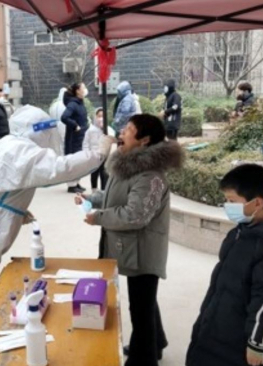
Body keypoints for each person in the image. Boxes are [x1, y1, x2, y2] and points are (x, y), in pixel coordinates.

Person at [0, 105, 114, 350]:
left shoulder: (8, 145)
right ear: (38, 131)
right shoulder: (19, 151)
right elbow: (60, 168)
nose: (49, 137)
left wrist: (14, 211)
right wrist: (98, 153)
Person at [76, 114, 183, 366]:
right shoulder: (126, 163)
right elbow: (116, 198)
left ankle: (143, 359)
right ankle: (156, 343)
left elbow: (135, 215)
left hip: (143, 250)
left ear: (144, 140)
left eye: (128, 130)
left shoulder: (150, 176)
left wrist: (99, 217)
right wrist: (92, 199)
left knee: (140, 310)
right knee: (145, 300)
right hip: (130, 246)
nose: (121, 133)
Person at [186, 164, 263, 366]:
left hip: (242, 342)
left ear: (257, 203)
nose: (227, 206)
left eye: (232, 201)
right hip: (220, 328)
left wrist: (258, 343)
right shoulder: (238, 233)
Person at [61, 82, 90, 193]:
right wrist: (75, 125)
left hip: (80, 137)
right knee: (73, 160)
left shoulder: (80, 103)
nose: (85, 89)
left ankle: (76, 183)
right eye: (84, 87)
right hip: (73, 138)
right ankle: (71, 185)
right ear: (77, 90)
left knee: (79, 161)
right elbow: (64, 117)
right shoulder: (72, 104)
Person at [83, 108, 108, 192]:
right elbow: (85, 143)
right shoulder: (90, 130)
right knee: (94, 173)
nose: (101, 118)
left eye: (103, 116)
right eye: (99, 116)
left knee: (104, 174)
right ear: (95, 117)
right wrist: (86, 154)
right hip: (93, 155)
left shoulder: (107, 129)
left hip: (104, 156)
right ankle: (94, 190)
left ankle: (103, 191)